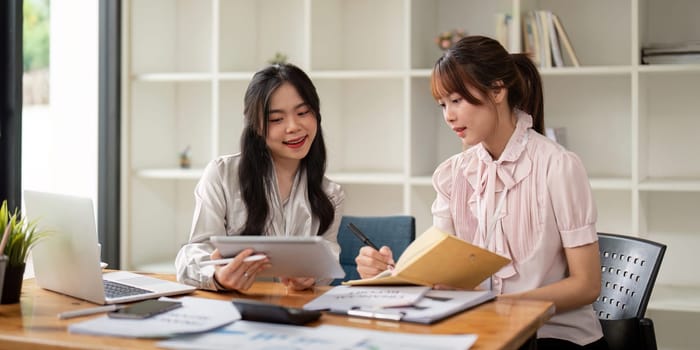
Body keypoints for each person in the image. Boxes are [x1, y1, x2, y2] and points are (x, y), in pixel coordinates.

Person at [355, 36, 607, 350]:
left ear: (498, 90)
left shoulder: (558, 166)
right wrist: (391, 271)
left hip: (552, 337)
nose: (448, 115)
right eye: (443, 105)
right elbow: (442, 266)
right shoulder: (453, 174)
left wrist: (498, 303)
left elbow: (586, 286)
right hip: (483, 329)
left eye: (457, 100)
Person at [175, 63, 345, 292]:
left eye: (303, 113)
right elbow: (191, 254)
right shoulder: (222, 175)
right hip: (231, 307)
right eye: (276, 119)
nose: (293, 127)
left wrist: (312, 277)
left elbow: (328, 262)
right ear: (256, 126)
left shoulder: (330, 194)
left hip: (295, 312)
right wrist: (217, 276)